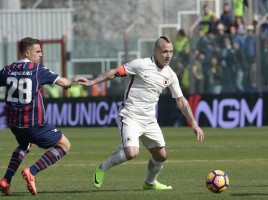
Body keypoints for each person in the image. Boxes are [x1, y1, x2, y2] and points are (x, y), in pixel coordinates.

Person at [73, 36, 205, 190]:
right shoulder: (141, 64)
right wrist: (91, 82)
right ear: (155, 52)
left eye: (170, 51)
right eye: (164, 52)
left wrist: (194, 123)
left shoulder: (170, 74)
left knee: (161, 156)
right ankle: (103, 168)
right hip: (129, 116)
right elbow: (114, 72)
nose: (168, 55)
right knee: (131, 152)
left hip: (149, 120)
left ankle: (150, 183)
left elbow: (181, 100)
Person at [0, 37, 72, 195]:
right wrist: (71, 82)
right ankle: (32, 171)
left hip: (14, 124)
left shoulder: (7, 69)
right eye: (38, 51)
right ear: (28, 53)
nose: (41, 55)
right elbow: (64, 83)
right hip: (33, 124)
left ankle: (6, 180)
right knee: (64, 145)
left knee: (25, 146)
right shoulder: (37, 70)